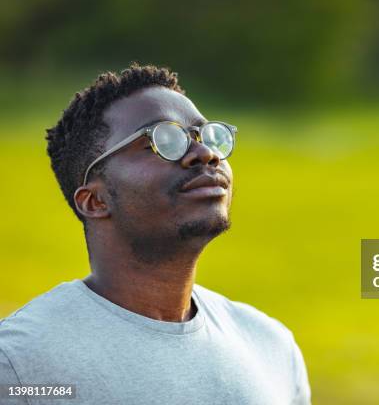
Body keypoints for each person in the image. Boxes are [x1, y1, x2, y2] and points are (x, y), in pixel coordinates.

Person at [0, 64, 311, 405]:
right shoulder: (20, 363)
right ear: (95, 200)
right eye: (163, 141)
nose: (205, 154)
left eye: (208, 136)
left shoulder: (271, 347)